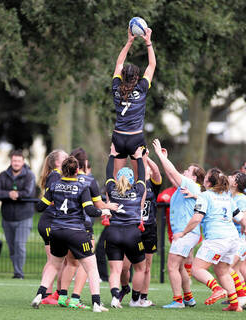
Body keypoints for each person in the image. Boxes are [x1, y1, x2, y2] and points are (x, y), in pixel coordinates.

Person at [31, 156, 111, 312]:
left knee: (54, 265)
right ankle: (96, 303)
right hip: (76, 231)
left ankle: (39, 296)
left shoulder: (54, 185)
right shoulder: (82, 187)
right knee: (92, 268)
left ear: (62, 170)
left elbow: (40, 207)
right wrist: (105, 211)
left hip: (56, 231)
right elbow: (90, 210)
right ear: (77, 171)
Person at [173, 168, 246, 312]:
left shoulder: (205, 196)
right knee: (222, 270)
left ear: (208, 182)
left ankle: (217, 289)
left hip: (216, 239)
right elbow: (240, 218)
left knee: (196, 269)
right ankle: (234, 304)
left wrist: (182, 233)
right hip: (232, 239)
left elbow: (196, 219)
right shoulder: (227, 197)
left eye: (205, 177)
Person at [57, 147, 118, 310]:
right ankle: (76, 298)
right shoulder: (88, 181)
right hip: (82, 226)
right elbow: (97, 205)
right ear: (84, 164)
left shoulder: (62, 179)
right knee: (87, 263)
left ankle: (63, 296)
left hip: (63, 225)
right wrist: (109, 207)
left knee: (70, 262)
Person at [152, 138, 205, 308]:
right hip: (188, 233)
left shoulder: (191, 184)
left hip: (185, 232)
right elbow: (172, 176)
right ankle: (188, 298)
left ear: (194, 177)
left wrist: (160, 155)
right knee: (180, 266)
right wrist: (164, 159)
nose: (185, 171)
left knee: (172, 266)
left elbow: (174, 173)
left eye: (188, 171)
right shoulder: (186, 186)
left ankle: (178, 301)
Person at [103, 144, 147, 309]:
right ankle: (135, 299)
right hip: (132, 233)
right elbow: (142, 175)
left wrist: (112, 155)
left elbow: (109, 173)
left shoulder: (111, 189)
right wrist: (138, 157)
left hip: (113, 232)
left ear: (117, 179)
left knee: (115, 269)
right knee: (140, 267)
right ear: (132, 180)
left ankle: (115, 296)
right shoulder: (138, 189)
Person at [119, 151, 162, 307]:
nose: (146, 169)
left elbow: (157, 171)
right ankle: (124, 289)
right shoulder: (133, 185)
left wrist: (146, 157)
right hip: (133, 228)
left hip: (149, 229)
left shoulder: (153, 185)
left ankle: (141, 298)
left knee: (146, 267)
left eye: (147, 168)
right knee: (124, 266)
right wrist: (139, 158)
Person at [111, 27, 156, 177]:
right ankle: (140, 202)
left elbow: (118, 64)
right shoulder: (142, 88)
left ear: (122, 76)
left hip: (118, 136)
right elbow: (152, 65)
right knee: (140, 179)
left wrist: (129, 42)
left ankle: (113, 201)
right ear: (137, 78)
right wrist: (148, 43)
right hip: (135, 138)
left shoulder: (116, 87)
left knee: (116, 178)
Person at [0, 150, 36, 279]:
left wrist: (18, 194)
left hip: (24, 217)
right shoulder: (3, 175)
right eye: (14, 161)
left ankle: (19, 273)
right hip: (7, 217)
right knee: (12, 247)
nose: (16, 163)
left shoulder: (29, 175)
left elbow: (29, 192)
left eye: (18, 161)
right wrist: (9, 194)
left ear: (23, 162)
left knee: (19, 245)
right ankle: (16, 271)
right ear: (11, 161)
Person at [37, 149, 68, 304]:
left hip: (52, 222)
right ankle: (46, 296)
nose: (68, 158)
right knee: (53, 261)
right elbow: (53, 198)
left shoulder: (58, 175)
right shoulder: (56, 175)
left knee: (56, 261)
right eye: (65, 157)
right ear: (57, 162)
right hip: (49, 222)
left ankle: (54, 294)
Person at [226, 171, 246, 307]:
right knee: (236, 270)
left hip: (241, 240)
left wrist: (224, 213)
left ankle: (241, 297)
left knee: (227, 268)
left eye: (232, 177)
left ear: (236, 183)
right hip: (233, 239)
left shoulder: (241, 199)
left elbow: (243, 219)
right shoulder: (228, 195)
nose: (228, 177)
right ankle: (241, 299)